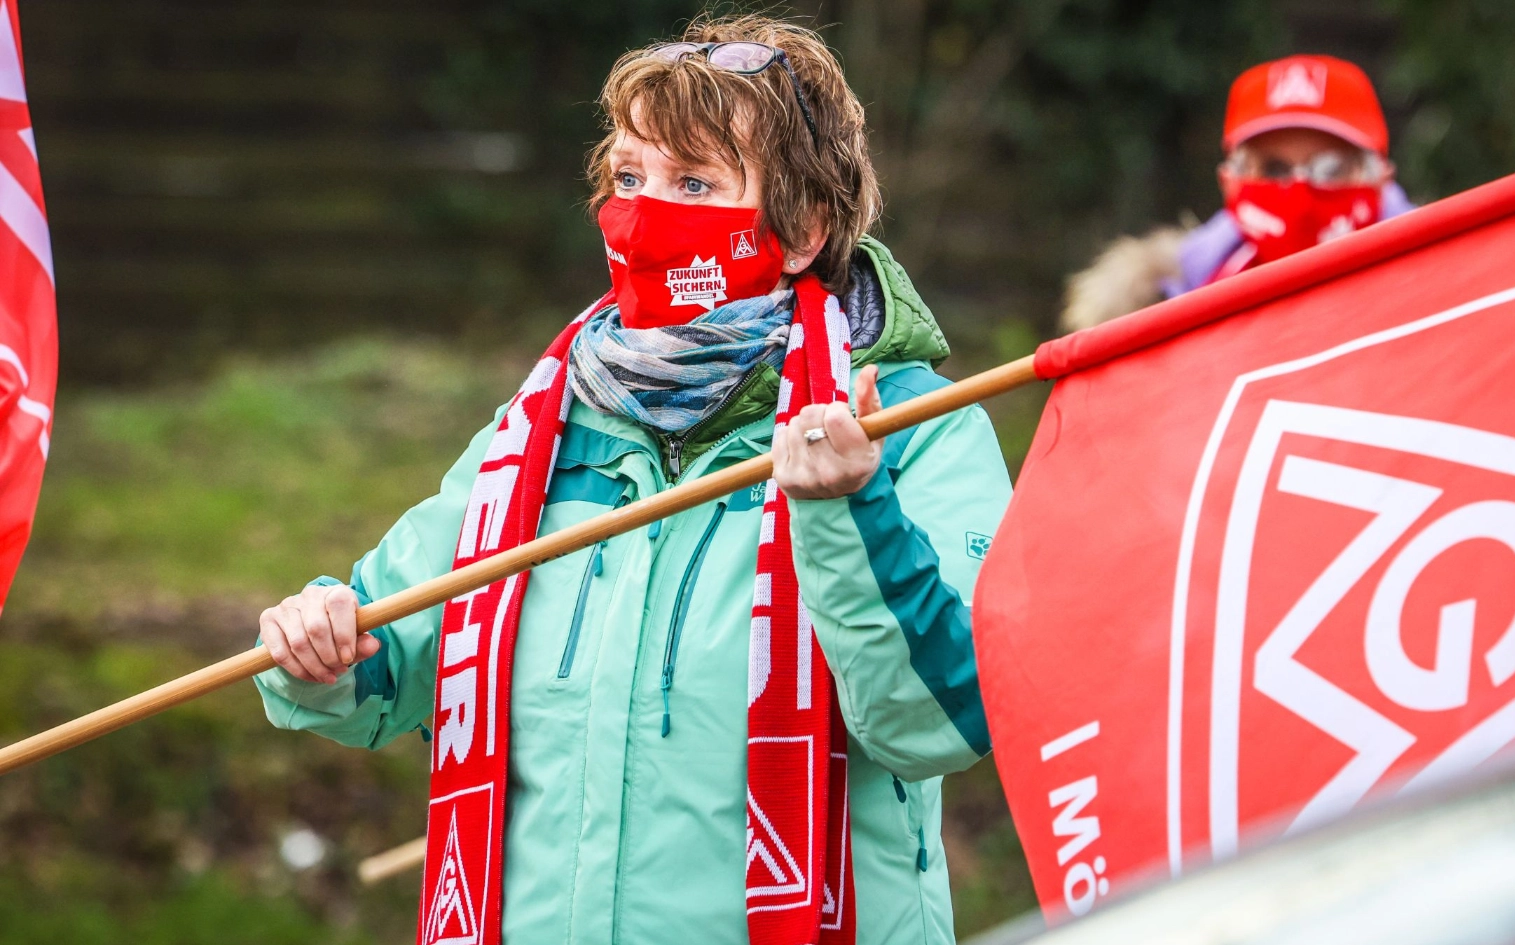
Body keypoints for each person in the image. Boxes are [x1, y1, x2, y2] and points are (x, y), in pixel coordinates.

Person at [251, 14, 1011, 945]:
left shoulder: (915, 429)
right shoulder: (538, 430)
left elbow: (941, 720)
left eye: (694, 182)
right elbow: (386, 663)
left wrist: (848, 506)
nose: (645, 212)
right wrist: (321, 645)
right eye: (628, 177)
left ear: (805, 228)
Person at [1061, 54, 1415, 332]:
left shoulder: (1437, 284)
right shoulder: (1170, 305)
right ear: (1229, 180)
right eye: (1274, 169)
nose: (1299, 187)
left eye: (1330, 168)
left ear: (1381, 175)